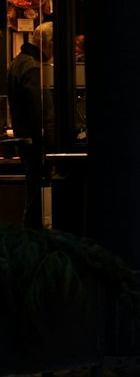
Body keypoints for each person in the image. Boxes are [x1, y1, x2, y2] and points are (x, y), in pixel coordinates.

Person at [6, 21, 54, 228]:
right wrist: (53, 147)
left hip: (26, 143)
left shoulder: (17, 63)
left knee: (32, 198)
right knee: (35, 203)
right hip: (37, 146)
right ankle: (32, 243)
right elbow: (43, 114)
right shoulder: (33, 68)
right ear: (50, 44)